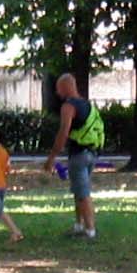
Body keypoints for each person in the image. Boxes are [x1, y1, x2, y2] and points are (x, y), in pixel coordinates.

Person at [42, 72, 100, 240]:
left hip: (78, 155)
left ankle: (90, 230)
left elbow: (63, 133)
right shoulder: (87, 105)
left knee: (82, 193)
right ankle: (79, 225)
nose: (57, 92)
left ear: (66, 87)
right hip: (91, 153)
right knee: (78, 190)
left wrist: (52, 158)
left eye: (59, 88)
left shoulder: (68, 107)